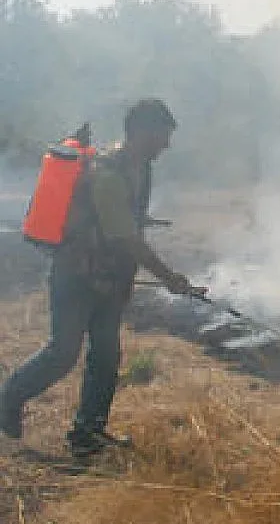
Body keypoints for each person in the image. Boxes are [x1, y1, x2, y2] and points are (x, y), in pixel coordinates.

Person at [0, 98, 204, 457]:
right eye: (162, 136)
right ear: (141, 131)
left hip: (111, 281)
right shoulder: (107, 173)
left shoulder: (142, 168)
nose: (166, 145)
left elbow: (124, 223)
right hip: (76, 277)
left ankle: (87, 434)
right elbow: (124, 238)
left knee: (106, 359)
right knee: (62, 354)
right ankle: (9, 397)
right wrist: (169, 277)